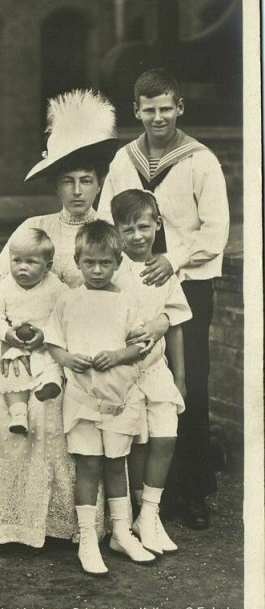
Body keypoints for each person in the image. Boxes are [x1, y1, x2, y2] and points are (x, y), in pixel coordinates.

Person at [0, 89, 122, 549]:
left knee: (55, 402)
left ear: (98, 184)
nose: (77, 191)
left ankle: (70, 521)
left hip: (81, 356)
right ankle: (11, 521)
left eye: (86, 181)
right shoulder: (31, 230)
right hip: (21, 348)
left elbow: (123, 299)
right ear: (55, 186)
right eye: (68, 181)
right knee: (8, 403)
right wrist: (9, 332)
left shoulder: (107, 235)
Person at [97, 68, 230, 529]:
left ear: (180, 108)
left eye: (166, 108)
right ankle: (144, 494)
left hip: (186, 281)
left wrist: (174, 261)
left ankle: (192, 490)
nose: (158, 117)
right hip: (132, 282)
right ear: (136, 111)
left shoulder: (200, 160)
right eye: (149, 109)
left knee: (185, 383)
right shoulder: (123, 160)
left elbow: (216, 231)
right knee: (134, 382)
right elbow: (105, 220)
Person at [44, 220, 157, 576]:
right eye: (89, 262)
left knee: (116, 464)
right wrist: (66, 358)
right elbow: (53, 341)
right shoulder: (67, 300)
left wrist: (118, 354)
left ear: (118, 263)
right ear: (77, 261)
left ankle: (121, 532)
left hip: (118, 396)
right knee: (89, 465)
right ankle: (89, 538)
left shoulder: (126, 301)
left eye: (104, 263)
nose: (96, 270)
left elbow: (141, 344)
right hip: (82, 398)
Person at [111, 189, 192, 554]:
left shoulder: (162, 269)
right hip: (124, 373)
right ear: (117, 231)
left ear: (157, 225)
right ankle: (132, 520)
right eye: (128, 229)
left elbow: (174, 321)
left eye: (144, 227)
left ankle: (150, 514)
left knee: (166, 437)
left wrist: (181, 376)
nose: (138, 236)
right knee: (135, 443)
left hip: (157, 369)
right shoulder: (112, 271)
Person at [0, 228, 64, 435]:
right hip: (15, 341)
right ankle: (18, 413)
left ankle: (50, 386)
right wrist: (5, 332)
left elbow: (66, 314)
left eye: (31, 262)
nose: (22, 268)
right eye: (17, 261)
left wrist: (46, 335)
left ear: (48, 267)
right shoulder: (5, 287)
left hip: (45, 344)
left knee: (51, 365)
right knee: (11, 374)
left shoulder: (56, 288)